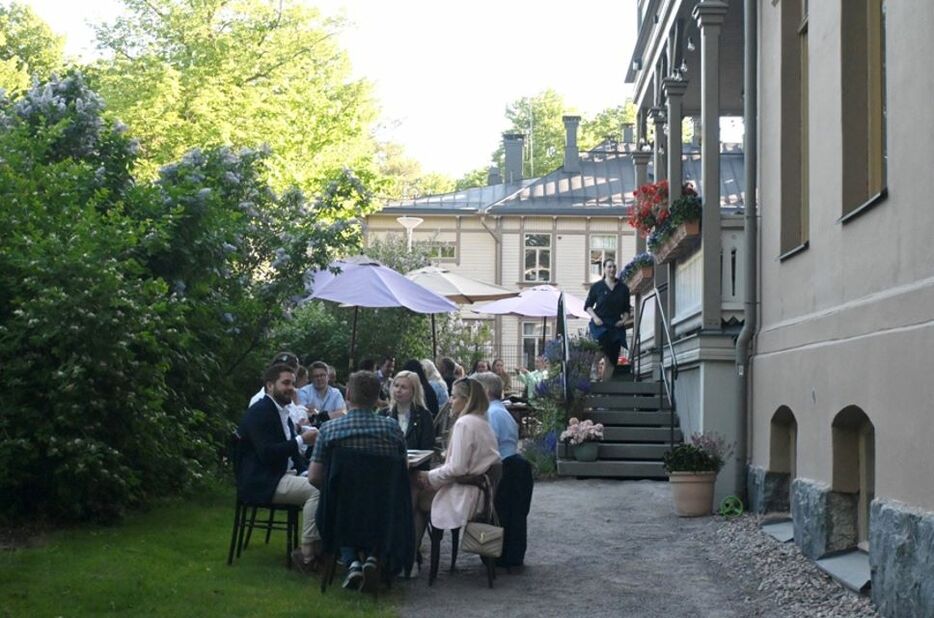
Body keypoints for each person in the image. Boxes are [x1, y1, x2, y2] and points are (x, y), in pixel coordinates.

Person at [309, 371, 408, 591]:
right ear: (377, 398)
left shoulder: (329, 430)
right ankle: (373, 556)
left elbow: (314, 476)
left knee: (342, 510)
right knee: (373, 511)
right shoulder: (392, 429)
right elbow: (402, 469)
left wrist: (338, 490)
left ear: (348, 394)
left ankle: (352, 562)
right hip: (381, 509)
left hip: (342, 510)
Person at [236, 363, 320, 573]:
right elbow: (267, 454)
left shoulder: (282, 410)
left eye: (292, 383)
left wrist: (305, 470)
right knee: (317, 490)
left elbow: (291, 455)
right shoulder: (260, 412)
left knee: (325, 481)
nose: (291, 388)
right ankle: (307, 554)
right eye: (285, 383)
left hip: (282, 474)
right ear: (270, 385)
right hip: (264, 480)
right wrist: (302, 439)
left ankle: (326, 550)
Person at [415, 378, 499, 531]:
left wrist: (429, 476)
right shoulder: (482, 422)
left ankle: (412, 549)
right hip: (480, 491)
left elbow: (457, 469)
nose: (450, 401)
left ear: (466, 400)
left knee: (415, 497)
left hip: (466, 494)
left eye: (454, 397)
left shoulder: (464, 423)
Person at [473, 372, 534, 568]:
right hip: (515, 464)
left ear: (485, 391)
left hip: (504, 466)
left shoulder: (491, 414)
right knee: (514, 515)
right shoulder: (503, 411)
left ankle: (498, 555)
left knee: (500, 514)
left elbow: (489, 446)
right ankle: (513, 556)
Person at [585, 257, 631, 381]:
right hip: (601, 323)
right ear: (604, 269)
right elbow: (588, 306)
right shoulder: (597, 287)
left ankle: (604, 386)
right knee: (601, 347)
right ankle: (593, 369)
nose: (612, 269)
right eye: (609, 266)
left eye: (614, 267)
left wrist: (623, 321)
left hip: (616, 325)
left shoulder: (623, 289)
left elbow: (627, 310)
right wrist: (595, 318)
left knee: (612, 357)